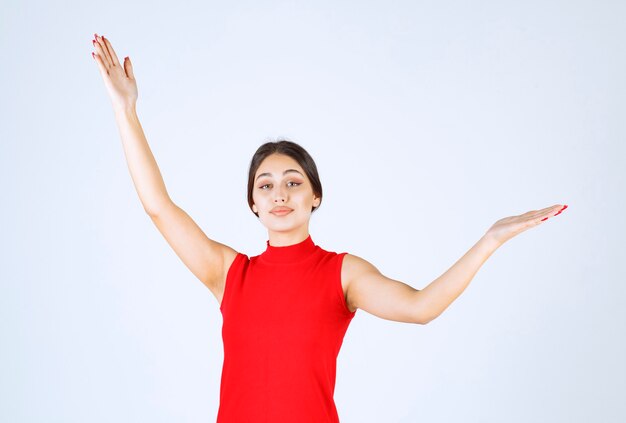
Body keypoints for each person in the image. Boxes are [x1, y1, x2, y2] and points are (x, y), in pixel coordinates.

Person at [91, 33, 568, 422]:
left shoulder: (342, 274)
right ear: (253, 203)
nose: (280, 194)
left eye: (293, 182)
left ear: (315, 195)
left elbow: (421, 307)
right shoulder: (228, 272)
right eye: (266, 185)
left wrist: (490, 239)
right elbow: (158, 206)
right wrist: (125, 110)